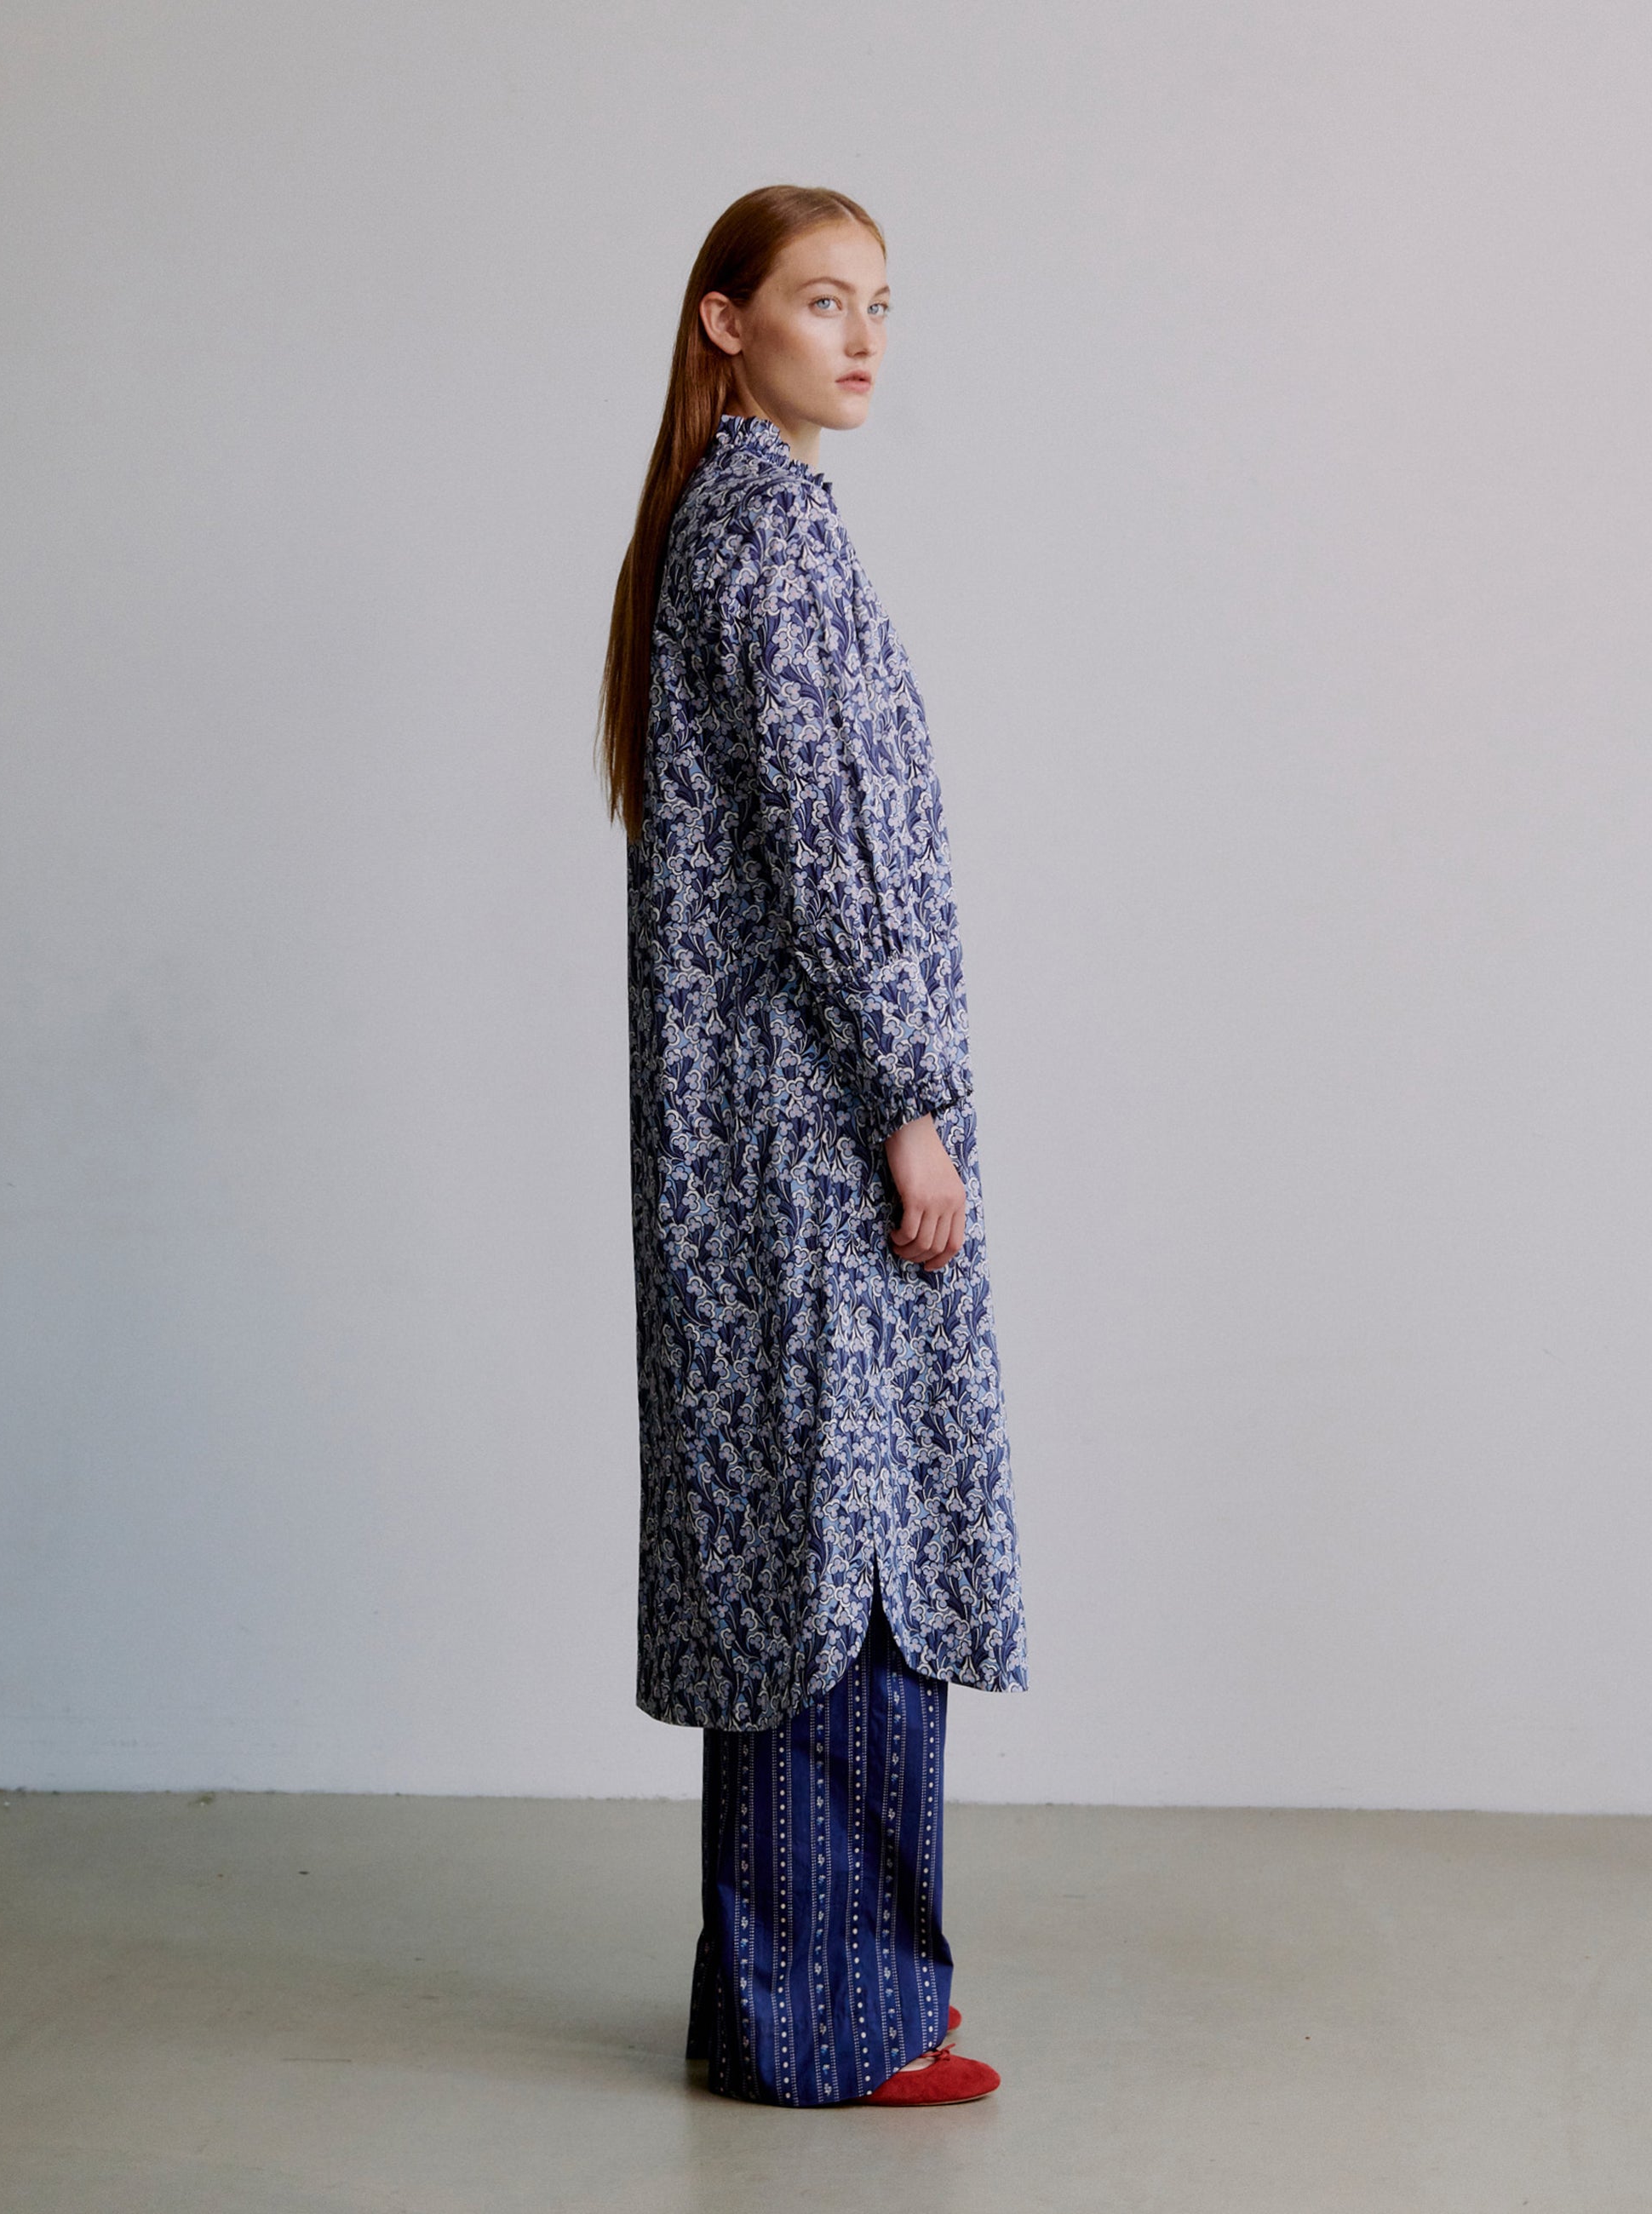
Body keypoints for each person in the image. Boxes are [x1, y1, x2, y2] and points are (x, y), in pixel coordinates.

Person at [599, 184, 1027, 2108]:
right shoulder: (761, 546)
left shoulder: (749, 528)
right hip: (811, 1147)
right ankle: (829, 2028)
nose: (858, 338)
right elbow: (830, 867)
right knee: (837, 1571)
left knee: (808, 1551)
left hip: (779, 1141)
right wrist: (904, 1104)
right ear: (722, 324)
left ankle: (780, 2000)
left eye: (877, 306)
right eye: (815, 301)